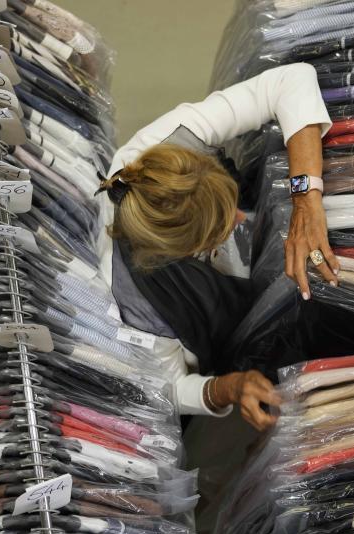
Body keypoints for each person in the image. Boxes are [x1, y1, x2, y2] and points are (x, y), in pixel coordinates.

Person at [95, 62, 336, 431]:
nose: (242, 220)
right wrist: (228, 388)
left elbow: (293, 78)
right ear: (185, 252)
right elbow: (167, 387)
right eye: (223, 227)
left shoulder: (167, 140)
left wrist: (306, 198)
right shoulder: (135, 303)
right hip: (242, 335)